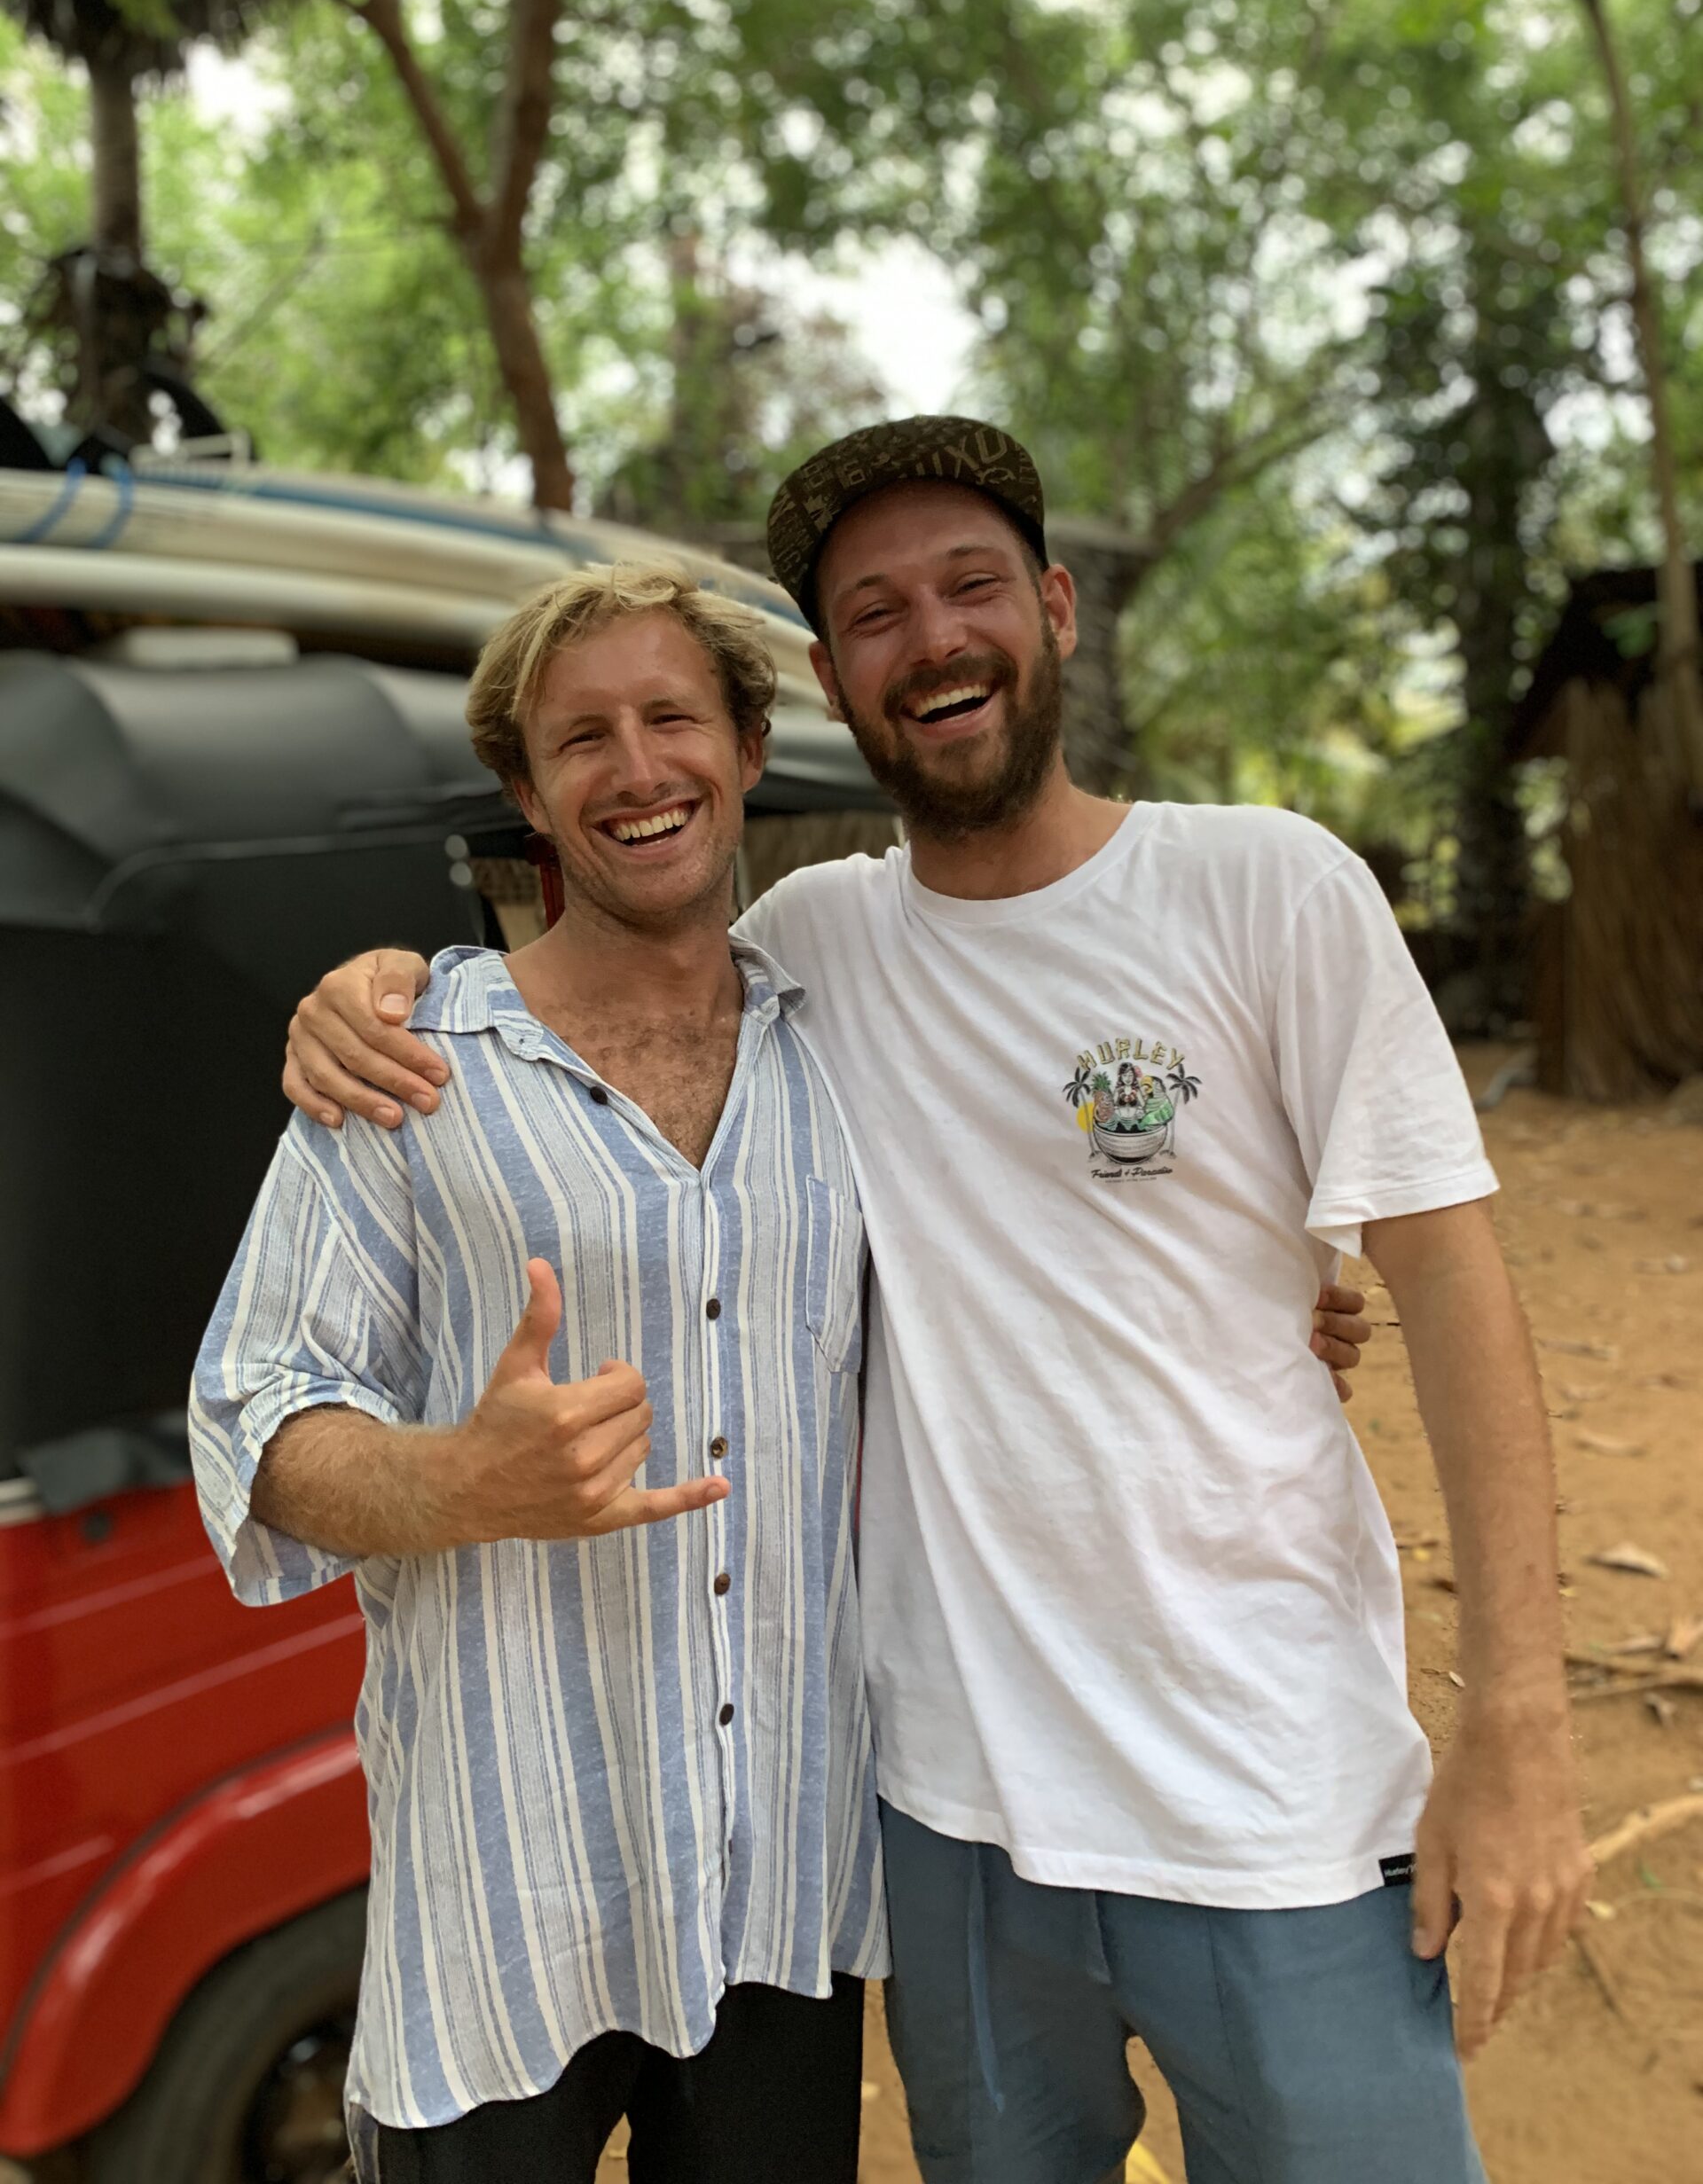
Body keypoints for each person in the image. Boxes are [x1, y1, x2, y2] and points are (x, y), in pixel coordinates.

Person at [279, 417, 1589, 2184]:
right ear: (830, 679)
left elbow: (1449, 1288)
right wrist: (374, 990)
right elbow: (587, 979)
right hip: (957, 1834)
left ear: (1053, 609)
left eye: (972, 585)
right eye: (877, 612)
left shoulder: (1265, 884)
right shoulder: (808, 950)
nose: (934, 636)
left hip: (1275, 1797)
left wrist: (1517, 1723)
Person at [189, 568, 889, 2184]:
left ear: (748, 745)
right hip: (509, 1903)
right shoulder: (413, 1065)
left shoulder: (840, 1047)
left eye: (669, 719)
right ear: (527, 792)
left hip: (779, 1882)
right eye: (582, 739)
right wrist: (452, 1480)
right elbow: (253, 1413)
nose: (636, 768)